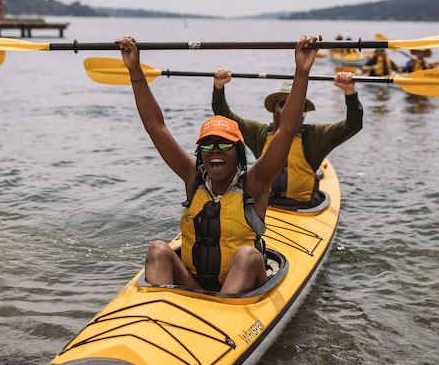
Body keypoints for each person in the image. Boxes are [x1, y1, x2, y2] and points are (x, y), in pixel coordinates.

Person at [116, 34, 320, 294]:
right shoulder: (193, 178)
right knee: (158, 250)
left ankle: (221, 318)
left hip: (243, 290)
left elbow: (286, 129)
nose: (216, 151)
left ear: (238, 152)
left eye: (224, 145)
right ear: (200, 153)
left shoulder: (255, 183)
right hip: (196, 284)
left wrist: (301, 72)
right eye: (208, 145)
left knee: (247, 256)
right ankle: (154, 312)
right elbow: (156, 127)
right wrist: (135, 70)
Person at [212, 70, 361, 209]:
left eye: (297, 106)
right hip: (264, 204)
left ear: (303, 112)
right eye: (284, 104)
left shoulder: (315, 137)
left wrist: (350, 94)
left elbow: (353, 125)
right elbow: (225, 118)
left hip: (302, 207)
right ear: (274, 109)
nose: (290, 110)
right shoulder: (260, 134)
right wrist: (219, 88)